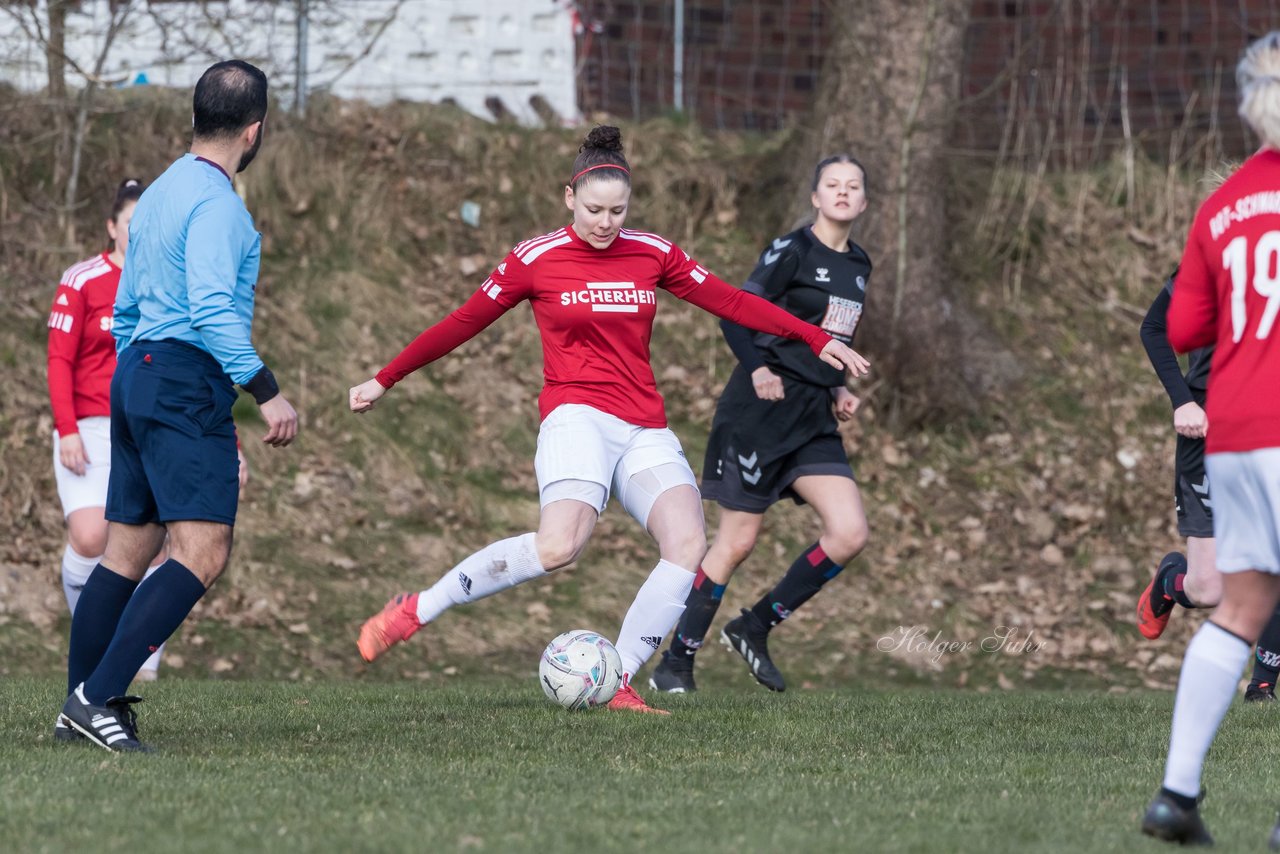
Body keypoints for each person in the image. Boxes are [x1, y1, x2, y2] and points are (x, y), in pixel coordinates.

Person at [350, 126, 870, 715]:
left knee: (688, 543)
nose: (605, 222)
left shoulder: (653, 252)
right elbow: (461, 322)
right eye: (594, 209)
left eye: (617, 211)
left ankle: (617, 679)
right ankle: (417, 609)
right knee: (557, 548)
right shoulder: (535, 259)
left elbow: (731, 300)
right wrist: (384, 377)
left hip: (642, 425)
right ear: (569, 198)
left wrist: (812, 337)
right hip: (576, 416)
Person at [56, 60, 298, 753]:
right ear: (253, 133)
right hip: (184, 378)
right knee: (202, 551)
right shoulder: (220, 206)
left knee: (128, 550)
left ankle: (78, 709)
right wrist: (264, 387)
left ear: (197, 118)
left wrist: (137, 374)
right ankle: (95, 698)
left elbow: (127, 308)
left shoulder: (158, 193)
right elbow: (213, 308)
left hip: (137, 374)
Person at [649, 155, 872, 694]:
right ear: (815, 197)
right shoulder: (791, 251)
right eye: (831, 185)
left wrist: (838, 384)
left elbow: (829, 335)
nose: (842, 193)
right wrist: (760, 368)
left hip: (813, 415)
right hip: (760, 412)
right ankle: (675, 663)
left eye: (853, 187)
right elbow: (734, 311)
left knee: (849, 533)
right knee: (737, 542)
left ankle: (755, 626)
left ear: (864, 202)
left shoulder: (861, 264)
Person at [1141, 31, 1280, 846]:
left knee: (1242, 604)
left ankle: (1176, 796)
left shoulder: (1223, 204)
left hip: (1233, 429)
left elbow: (1187, 323)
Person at [46, 181, 251, 711]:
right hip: (112, 417)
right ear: (112, 227)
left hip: (145, 404)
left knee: (141, 548)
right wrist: (66, 426)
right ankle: (97, 690)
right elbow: (61, 360)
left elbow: (179, 347)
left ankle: (105, 687)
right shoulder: (87, 279)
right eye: (129, 225)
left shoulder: (162, 271)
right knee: (116, 542)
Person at [1136, 266, 1280, 702]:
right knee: (1208, 588)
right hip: (1211, 436)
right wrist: (1183, 402)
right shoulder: (1217, 254)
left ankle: (1261, 686)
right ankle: (1169, 583)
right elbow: (1154, 327)